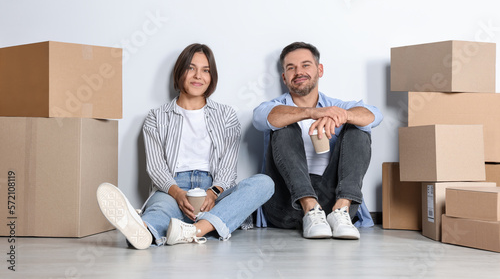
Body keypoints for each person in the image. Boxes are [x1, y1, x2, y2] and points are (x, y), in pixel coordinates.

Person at [97, 43, 274, 249]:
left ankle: (193, 231)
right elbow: (156, 167)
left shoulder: (226, 116)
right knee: (160, 211)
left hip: (214, 189)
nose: (198, 76)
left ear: (211, 76)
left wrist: (212, 193)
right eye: (191, 68)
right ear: (179, 71)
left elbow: (227, 167)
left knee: (264, 183)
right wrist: (177, 193)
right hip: (172, 188)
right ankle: (143, 229)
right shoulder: (156, 117)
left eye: (206, 70)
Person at [252, 42, 382, 240]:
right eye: (291, 68)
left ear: (319, 70)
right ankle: (309, 207)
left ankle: (342, 210)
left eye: (305, 65)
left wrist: (342, 116)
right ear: (284, 77)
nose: (298, 72)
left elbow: (374, 115)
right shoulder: (275, 107)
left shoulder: (336, 107)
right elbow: (261, 118)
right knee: (284, 125)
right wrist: (312, 113)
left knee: (358, 126)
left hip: (331, 201)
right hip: (287, 203)